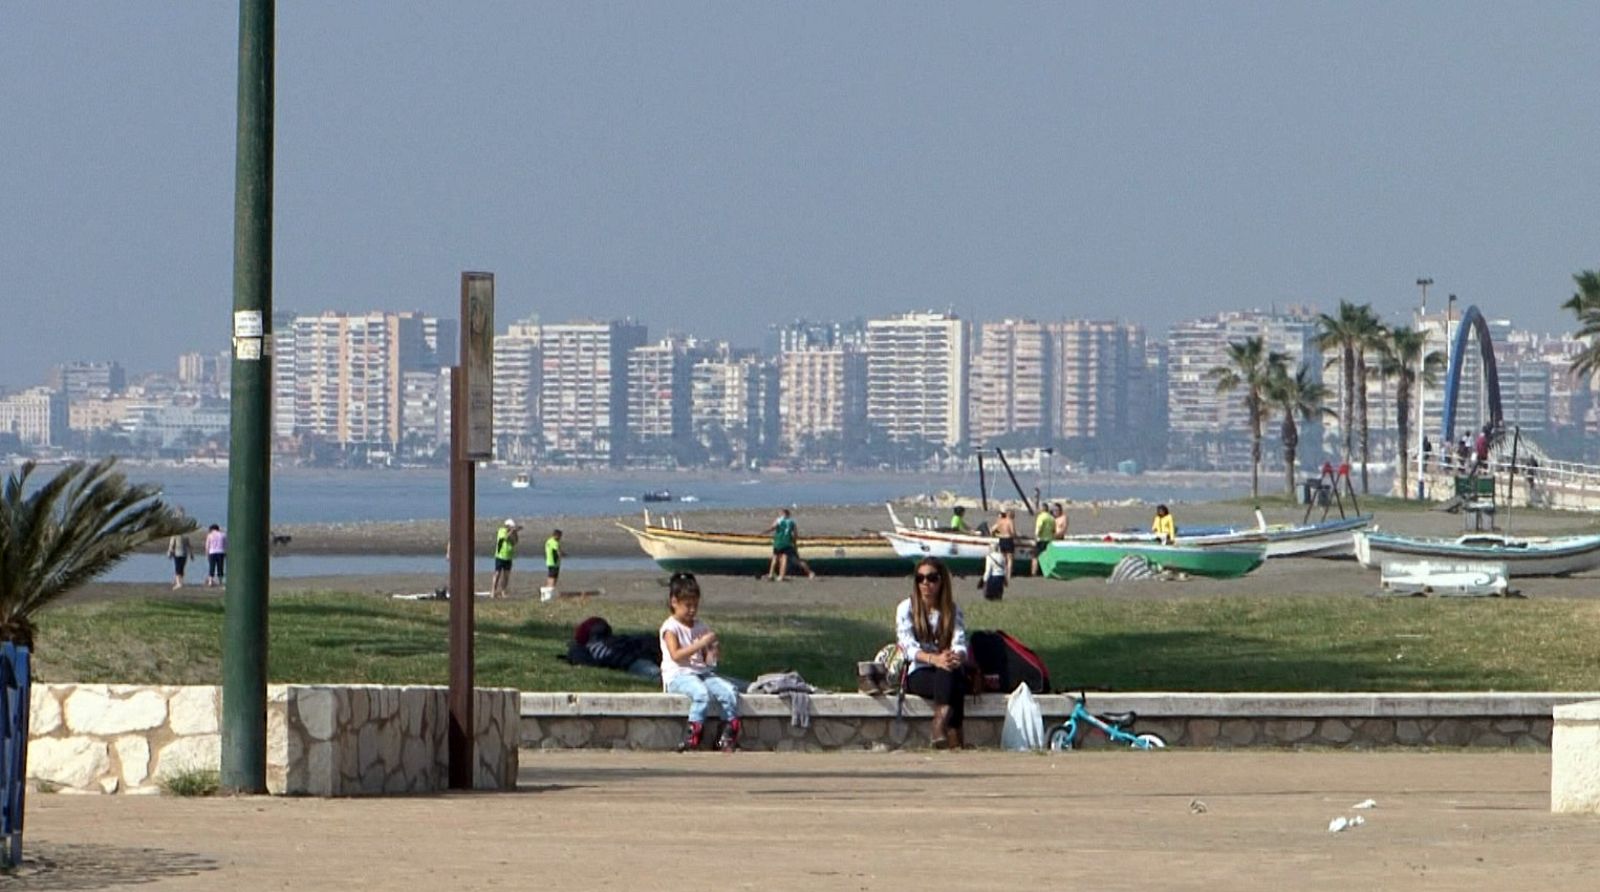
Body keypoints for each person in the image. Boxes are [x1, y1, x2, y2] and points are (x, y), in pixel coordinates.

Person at [659, 572, 742, 752]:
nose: (692, 610)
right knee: (701, 694)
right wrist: (700, 644)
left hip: (701, 672)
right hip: (678, 674)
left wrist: (712, 650)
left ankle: (727, 732)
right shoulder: (670, 628)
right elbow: (676, 655)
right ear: (674, 602)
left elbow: (708, 661)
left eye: (695, 606)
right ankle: (693, 733)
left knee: (729, 692)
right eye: (687, 606)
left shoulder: (699, 626)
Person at [896, 558, 970, 749]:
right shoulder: (906, 608)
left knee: (950, 670)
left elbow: (960, 643)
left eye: (931, 578)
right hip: (918, 671)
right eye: (920, 579)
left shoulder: (952, 610)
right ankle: (953, 732)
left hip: (946, 668)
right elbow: (907, 647)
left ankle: (940, 722)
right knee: (953, 678)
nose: (925, 584)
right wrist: (933, 659)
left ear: (941, 581)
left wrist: (955, 656)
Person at [764, 508, 814, 581]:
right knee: (788, 559)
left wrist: (765, 532)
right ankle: (781, 576)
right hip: (787, 543)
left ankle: (771, 574)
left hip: (778, 542)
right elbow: (795, 535)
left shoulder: (779, 520)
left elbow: (772, 527)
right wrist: (794, 543)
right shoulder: (792, 522)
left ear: (782, 514)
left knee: (775, 558)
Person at [493, 518, 521, 599]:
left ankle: (503, 591)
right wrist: (512, 531)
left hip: (508, 556)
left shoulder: (512, 532)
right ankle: (493, 591)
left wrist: (515, 533)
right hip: (500, 555)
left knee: (506, 575)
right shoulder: (501, 530)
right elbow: (505, 538)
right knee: (497, 574)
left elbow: (515, 542)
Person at [1030, 504, 1054, 576]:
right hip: (1049, 539)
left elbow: (1039, 527)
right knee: (1046, 556)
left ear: (1042, 509)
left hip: (1041, 539)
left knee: (1035, 557)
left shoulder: (1041, 517)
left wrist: (1036, 536)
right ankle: (1046, 572)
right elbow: (1053, 530)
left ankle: (1034, 572)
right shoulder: (1051, 518)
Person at [992, 509, 1016, 579]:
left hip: (1001, 540)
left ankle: (1003, 573)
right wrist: (1017, 536)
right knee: (1010, 559)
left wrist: (996, 534)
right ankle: (1008, 575)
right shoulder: (1010, 521)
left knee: (1003, 558)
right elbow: (1013, 532)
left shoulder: (1001, 521)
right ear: (1011, 515)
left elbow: (993, 529)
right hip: (1008, 540)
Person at [541, 528, 563, 603]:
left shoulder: (548, 541)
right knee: (553, 579)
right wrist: (562, 555)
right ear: (557, 535)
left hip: (549, 562)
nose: (560, 538)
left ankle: (547, 592)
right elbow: (558, 552)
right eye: (560, 536)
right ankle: (548, 594)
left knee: (550, 577)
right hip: (554, 563)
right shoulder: (555, 542)